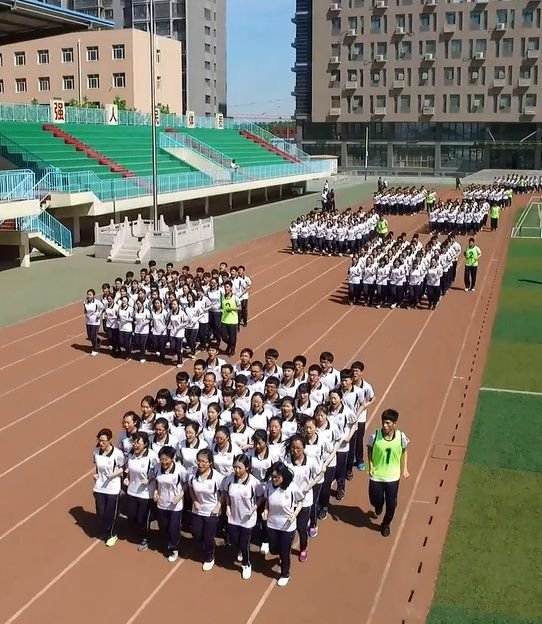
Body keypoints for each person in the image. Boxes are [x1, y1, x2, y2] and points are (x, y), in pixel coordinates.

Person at [366, 409, 409, 537]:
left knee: (391, 505)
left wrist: (404, 468)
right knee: (375, 500)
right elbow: (369, 449)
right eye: (383, 423)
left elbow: (404, 451)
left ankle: (385, 524)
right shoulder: (374, 436)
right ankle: (378, 505)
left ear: (394, 424)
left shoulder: (401, 437)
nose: (384, 426)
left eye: (388, 423)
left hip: (393, 477)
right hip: (377, 476)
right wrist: (371, 465)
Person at [262, 461, 305, 587]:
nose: (274, 479)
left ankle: (285, 573)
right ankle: (281, 555)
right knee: (273, 549)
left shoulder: (292, 488)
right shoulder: (269, 486)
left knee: (284, 551)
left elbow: (301, 501)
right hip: (272, 524)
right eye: (273, 477)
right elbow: (267, 501)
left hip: (287, 526)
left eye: (277, 477)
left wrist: (295, 514)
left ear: (284, 476)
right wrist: (265, 510)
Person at [221, 453, 264, 580]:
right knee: (234, 541)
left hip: (247, 518)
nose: (237, 470)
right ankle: (240, 549)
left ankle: (246, 564)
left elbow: (261, 497)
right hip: (233, 516)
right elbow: (226, 493)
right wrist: (227, 506)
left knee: (244, 542)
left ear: (247, 468)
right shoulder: (229, 479)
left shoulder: (254, 482)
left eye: (240, 468)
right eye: (235, 467)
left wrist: (254, 509)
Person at [188, 448, 224, 571]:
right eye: (198, 461)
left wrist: (218, 506)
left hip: (211, 512)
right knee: (196, 533)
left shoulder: (217, 477)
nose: (200, 464)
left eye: (203, 461)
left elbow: (224, 493)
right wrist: (195, 501)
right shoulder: (193, 474)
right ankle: (209, 545)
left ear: (210, 463)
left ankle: (209, 557)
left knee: (208, 537)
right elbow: (190, 488)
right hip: (197, 510)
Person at [124, 431, 159, 551]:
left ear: (145, 444)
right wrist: (127, 478)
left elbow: (157, 472)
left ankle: (146, 538)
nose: (135, 445)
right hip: (132, 490)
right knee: (131, 515)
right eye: (134, 443)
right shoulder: (131, 454)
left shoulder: (152, 456)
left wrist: (150, 480)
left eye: (138, 443)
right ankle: (139, 531)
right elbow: (129, 469)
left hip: (146, 493)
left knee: (142, 518)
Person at [154, 446, 188, 562]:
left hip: (175, 506)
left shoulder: (180, 470)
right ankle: (168, 542)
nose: (163, 462)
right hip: (161, 503)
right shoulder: (157, 468)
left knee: (173, 527)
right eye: (161, 459)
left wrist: (179, 496)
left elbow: (186, 484)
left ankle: (174, 548)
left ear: (172, 458)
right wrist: (155, 492)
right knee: (163, 527)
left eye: (166, 459)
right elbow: (156, 481)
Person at [93, 428, 125, 547]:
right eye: (99, 440)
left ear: (110, 440)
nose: (101, 443)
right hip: (100, 486)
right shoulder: (96, 451)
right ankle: (107, 527)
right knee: (101, 512)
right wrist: (96, 475)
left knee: (110, 513)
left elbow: (122, 468)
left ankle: (112, 534)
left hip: (113, 488)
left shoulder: (117, 454)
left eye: (103, 441)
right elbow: (97, 466)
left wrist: (114, 474)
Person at [220, 280, 241, 357]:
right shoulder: (223, 297)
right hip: (224, 320)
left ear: (231, 288)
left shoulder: (235, 298)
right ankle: (230, 345)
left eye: (227, 287)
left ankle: (232, 350)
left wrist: (231, 308)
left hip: (233, 321)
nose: (226, 288)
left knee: (232, 338)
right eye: (225, 287)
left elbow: (240, 308)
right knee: (224, 337)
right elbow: (222, 307)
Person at [84, 289, 103, 356]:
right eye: (88, 294)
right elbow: (85, 310)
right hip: (88, 321)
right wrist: (86, 314)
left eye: (90, 295)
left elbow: (102, 308)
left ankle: (95, 349)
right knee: (90, 336)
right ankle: (98, 340)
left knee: (93, 336)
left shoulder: (97, 302)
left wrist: (99, 314)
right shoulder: (85, 302)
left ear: (93, 295)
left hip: (95, 322)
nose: (88, 296)